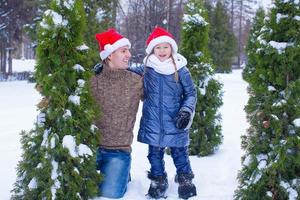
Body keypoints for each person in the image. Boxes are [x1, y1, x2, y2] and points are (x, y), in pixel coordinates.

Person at [129, 26, 197, 199]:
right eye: (158, 47)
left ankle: (185, 179)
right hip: (153, 121)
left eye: (165, 47)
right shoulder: (146, 68)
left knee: (179, 153)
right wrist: (107, 66)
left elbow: (191, 93)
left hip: (175, 120)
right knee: (154, 154)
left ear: (172, 48)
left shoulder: (181, 69)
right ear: (152, 49)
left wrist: (186, 111)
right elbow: (125, 72)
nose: (162, 51)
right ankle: (158, 180)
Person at [91, 28, 143, 199]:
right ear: (109, 55)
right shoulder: (92, 80)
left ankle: (121, 171)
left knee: (109, 194)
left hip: (118, 151)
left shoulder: (136, 81)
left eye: (128, 50)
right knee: (83, 190)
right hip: (91, 148)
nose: (129, 54)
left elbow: (161, 90)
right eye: (123, 50)